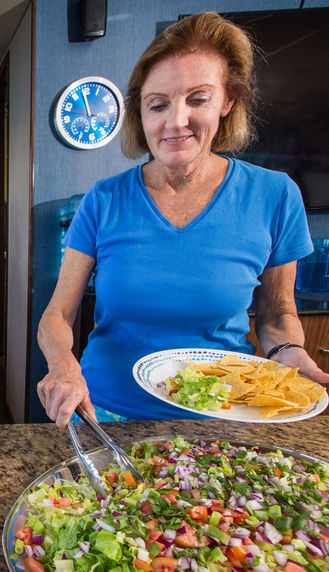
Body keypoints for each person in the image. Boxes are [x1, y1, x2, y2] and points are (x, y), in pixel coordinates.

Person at [37, 12, 329, 429]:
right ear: (141, 112)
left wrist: (288, 354)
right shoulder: (104, 200)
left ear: (228, 101)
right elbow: (57, 316)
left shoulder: (275, 195)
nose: (175, 121)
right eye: (158, 104)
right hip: (104, 412)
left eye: (197, 99)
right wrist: (61, 363)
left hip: (220, 414)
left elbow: (276, 316)